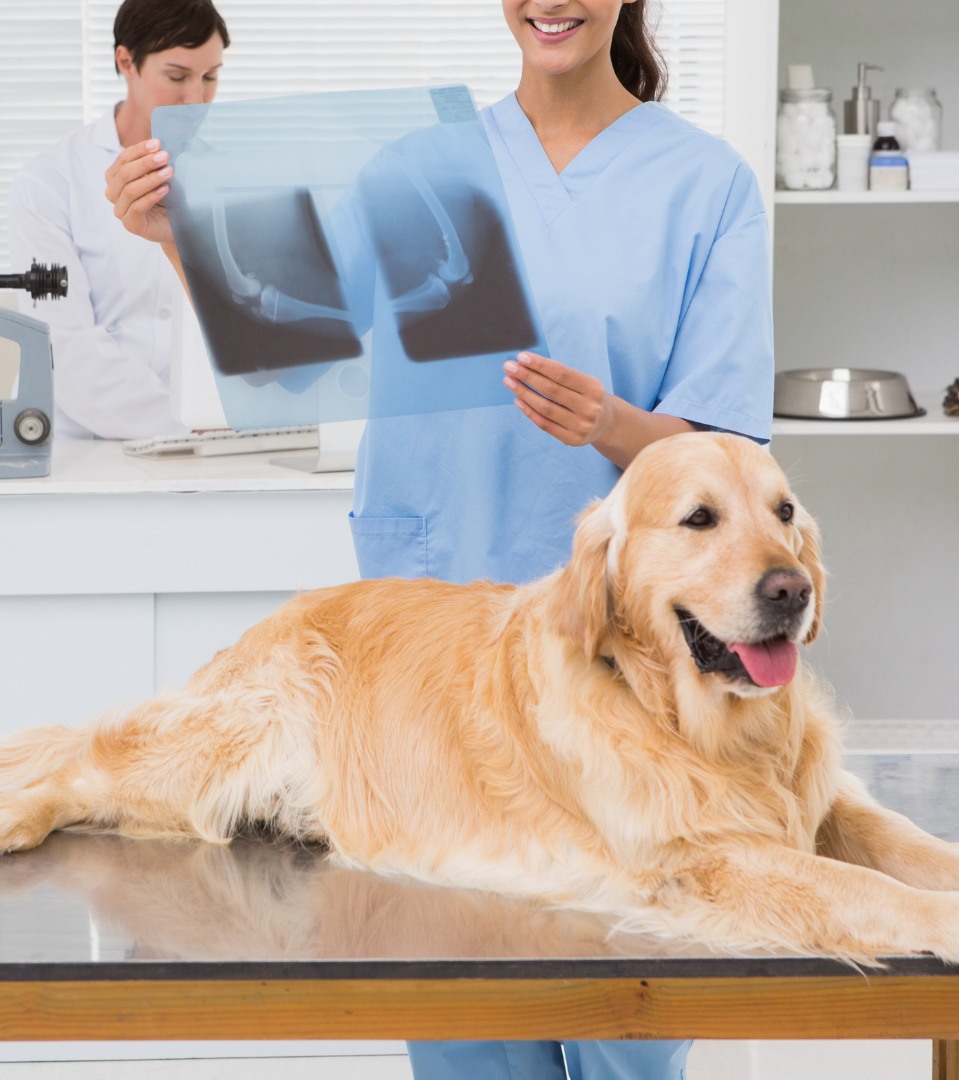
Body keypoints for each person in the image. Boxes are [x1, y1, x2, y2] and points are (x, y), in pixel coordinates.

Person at [104, 1, 774, 1076]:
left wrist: (611, 427)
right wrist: (175, 239)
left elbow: (732, 457)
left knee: (627, 1023)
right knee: (464, 1018)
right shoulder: (421, 165)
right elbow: (294, 358)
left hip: (617, 664)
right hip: (434, 656)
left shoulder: (705, 184)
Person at [8, 0, 229, 440]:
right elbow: (67, 349)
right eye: (177, 76)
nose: (196, 99)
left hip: (214, 443)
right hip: (87, 449)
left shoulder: (232, 175)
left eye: (210, 77)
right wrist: (188, 427)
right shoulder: (50, 182)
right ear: (126, 61)